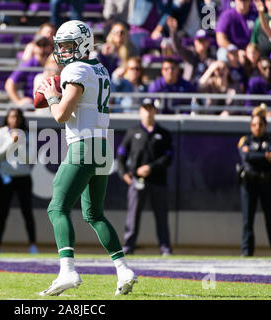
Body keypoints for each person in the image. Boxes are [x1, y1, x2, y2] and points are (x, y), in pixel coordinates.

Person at [37, 20, 137, 296]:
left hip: (84, 144)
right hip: (104, 145)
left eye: (68, 46)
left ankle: (67, 271)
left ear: (82, 44)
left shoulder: (76, 69)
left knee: (57, 208)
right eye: (62, 47)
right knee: (94, 214)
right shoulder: (100, 68)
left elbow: (61, 115)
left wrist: (50, 95)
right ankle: (123, 269)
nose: (63, 52)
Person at [117, 102, 173, 256]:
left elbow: (168, 157)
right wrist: (124, 174)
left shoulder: (164, 133)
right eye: (145, 109)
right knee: (133, 215)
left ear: (155, 111)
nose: (148, 113)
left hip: (158, 181)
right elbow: (121, 155)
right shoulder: (132, 132)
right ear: (140, 112)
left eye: (151, 109)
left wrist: (151, 168)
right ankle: (128, 246)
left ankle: (165, 247)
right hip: (137, 182)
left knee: (161, 216)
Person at [0, 108, 38, 254]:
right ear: (7, 118)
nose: (15, 120)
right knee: (2, 212)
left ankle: (33, 245)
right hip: (6, 177)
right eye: (12, 117)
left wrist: (20, 143)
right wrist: (12, 141)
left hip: (23, 177)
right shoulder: (0, 133)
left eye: (17, 117)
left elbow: (31, 159)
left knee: (27, 212)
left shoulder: (29, 134)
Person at [237, 106, 271, 256]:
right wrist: (265, 157)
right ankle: (247, 252)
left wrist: (255, 155)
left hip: (266, 183)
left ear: (265, 125)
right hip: (249, 183)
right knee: (248, 220)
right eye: (254, 124)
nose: (257, 128)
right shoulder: (245, 140)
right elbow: (246, 157)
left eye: (260, 124)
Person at [5, 35, 53, 107]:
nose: (42, 48)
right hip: (32, 105)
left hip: (51, 103)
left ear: (49, 47)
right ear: (34, 47)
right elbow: (9, 84)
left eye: (45, 45)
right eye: (39, 45)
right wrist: (18, 102)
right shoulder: (29, 64)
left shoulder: (54, 62)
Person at [167, 17, 215, 86]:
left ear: (208, 42)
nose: (202, 44)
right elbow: (177, 48)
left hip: (205, 90)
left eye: (204, 41)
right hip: (189, 89)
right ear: (195, 42)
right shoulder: (190, 54)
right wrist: (173, 32)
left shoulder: (212, 57)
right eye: (199, 41)